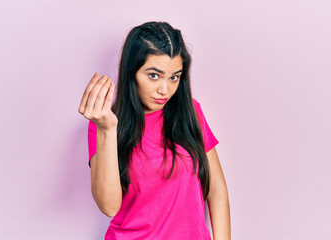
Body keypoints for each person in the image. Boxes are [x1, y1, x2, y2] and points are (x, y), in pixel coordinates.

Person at [78, 21, 230, 240]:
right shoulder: (104, 124)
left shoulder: (191, 111)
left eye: (174, 77)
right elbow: (109, 207)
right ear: (132, 73)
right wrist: (107, 130)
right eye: (153, 75)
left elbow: (216, 190)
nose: (165, 89)